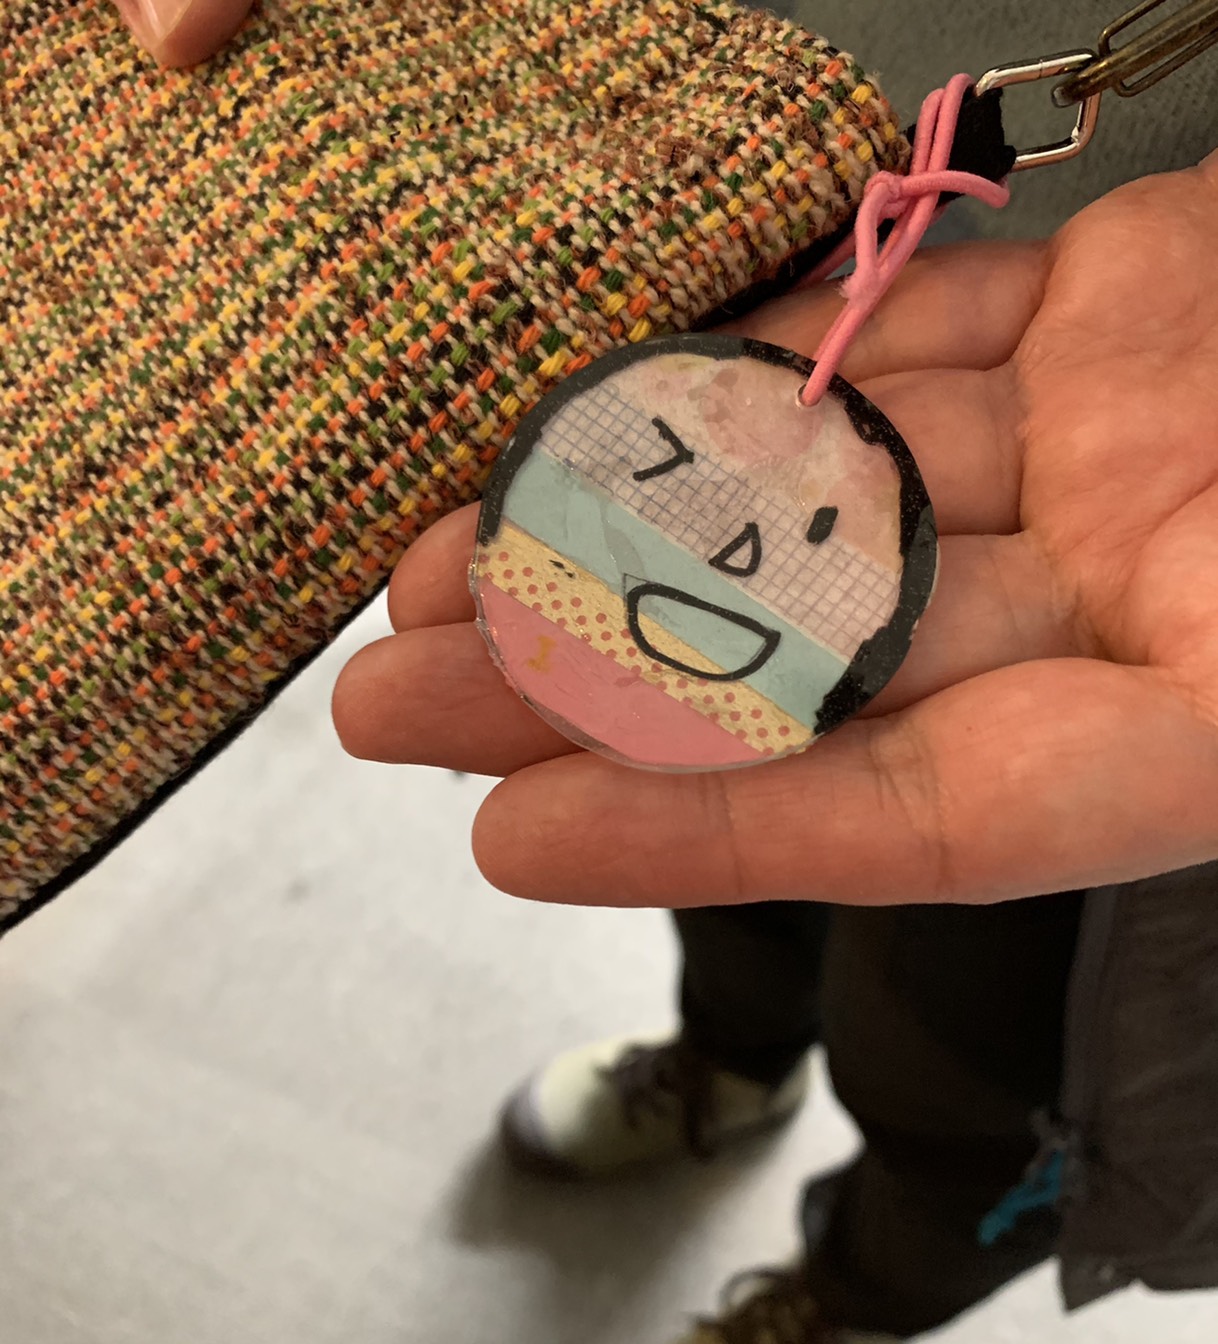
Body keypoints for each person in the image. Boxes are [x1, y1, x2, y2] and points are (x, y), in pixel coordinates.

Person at [117, 2, 1218, 1340]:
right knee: (713, 840)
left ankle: (859, 1296)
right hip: (764, 175)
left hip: (1140, 408)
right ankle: (731, 1061)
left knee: (983, 1033)